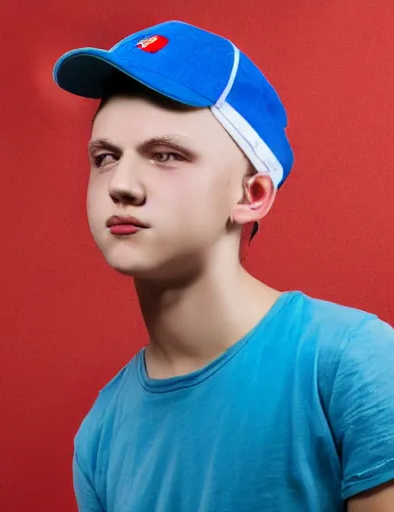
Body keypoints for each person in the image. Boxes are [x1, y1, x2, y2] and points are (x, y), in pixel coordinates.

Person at [52, 20, 394, 512]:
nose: (121, 184)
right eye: (105, 156)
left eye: (165, 155)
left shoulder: (350, 363)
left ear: (252, 195)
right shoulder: (101, 435)